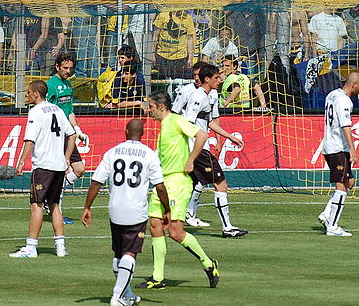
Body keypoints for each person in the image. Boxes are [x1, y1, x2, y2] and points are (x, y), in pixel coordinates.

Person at [82, 119, 169, 306]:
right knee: (130, 253)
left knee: (118, 254)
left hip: (115, 209)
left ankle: (127, 293)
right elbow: (160, 187)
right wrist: (167, 209)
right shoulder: (149, 154)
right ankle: (117, 296)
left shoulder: (112, 152)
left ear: (125, 131)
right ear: (143, 133)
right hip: (136, 212)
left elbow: (97, 181)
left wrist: (87, 207)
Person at [139, 90, 219, 290]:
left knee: (175, 232)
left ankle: (208, 264)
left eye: (151, 107)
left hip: (177, 182)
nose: (149, 111)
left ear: (161, 107)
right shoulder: (164, 127)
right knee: (155, 226)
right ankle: (158, 277)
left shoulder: (176, 120)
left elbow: (202, 134)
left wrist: (191, 160)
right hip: (162, 184)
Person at [10, 80, 76, 259]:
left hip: (44, 166)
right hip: (58, 166)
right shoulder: (57, 110)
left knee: (36, 205)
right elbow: (72, 135)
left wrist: (21, 161)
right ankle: (60, 246)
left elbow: (30, 140)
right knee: (55, 205)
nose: (27, 95)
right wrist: (67, 158)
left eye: (29, 92)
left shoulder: (36, 111)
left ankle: (31, 247)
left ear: (36, 94)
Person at [180, 63, 246, 237]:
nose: (220, 80)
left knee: (193, 184)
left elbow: (209, 122)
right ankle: (227, 228)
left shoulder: (209, 95)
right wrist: (194, 148)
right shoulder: (198, 97)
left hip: (198, 146)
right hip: (197, 148)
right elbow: (187, 122)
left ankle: (174, 219)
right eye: (216, 77)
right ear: (207, 79)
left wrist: (229, 137)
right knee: (221, 184)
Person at [318, 71, 359, 236]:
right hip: (337, 148)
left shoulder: (332, 94)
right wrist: (352, 149)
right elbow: (345, 125)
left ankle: (326, 214)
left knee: (349, 182)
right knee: (341, 187)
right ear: (353, 85)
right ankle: (333, 227)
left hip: (333, 146)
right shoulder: (344, 101)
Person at [45, 52, 89, 211]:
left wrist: (77, 129)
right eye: (65, 68)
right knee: (64, 169)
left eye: (70, 68)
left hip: (68, 134)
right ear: (57, 67)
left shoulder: (68, 85)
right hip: (56, 134)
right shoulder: (50, 85)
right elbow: (46, 110)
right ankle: (55, 206)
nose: (68, 71)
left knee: (79, 169)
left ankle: (50, 198)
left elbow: (69, 111)